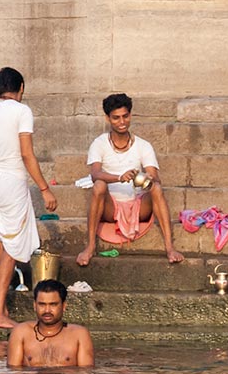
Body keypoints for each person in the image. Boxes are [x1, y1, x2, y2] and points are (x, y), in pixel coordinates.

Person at [0, 66, 58, 328]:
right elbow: (27, 154)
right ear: (21, 89)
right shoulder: (22, 111)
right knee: (9, 247)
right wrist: (44, 188)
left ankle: (0, 305)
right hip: (11, 183)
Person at [76, 93, 184, 266]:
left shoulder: (143, 145)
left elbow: (154, 175)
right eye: (116, 118)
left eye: (125, 116)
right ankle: (89, 247)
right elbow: (95, 173)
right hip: (111, 208)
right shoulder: (99, 143)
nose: (121, 122)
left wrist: (146, 177)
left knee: (156, 187)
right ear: (108, 118)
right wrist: (119, 177)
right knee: (99, 186)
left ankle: (170, 247)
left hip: (138, 206)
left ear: (130, 115)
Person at [7, 279, 94, 367]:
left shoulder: (79, 334)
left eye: (53, 304)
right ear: (34, 305)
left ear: (64, 306)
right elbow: (15, 372)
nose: (47, 310)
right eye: (42, 304)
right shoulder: (21, 332)